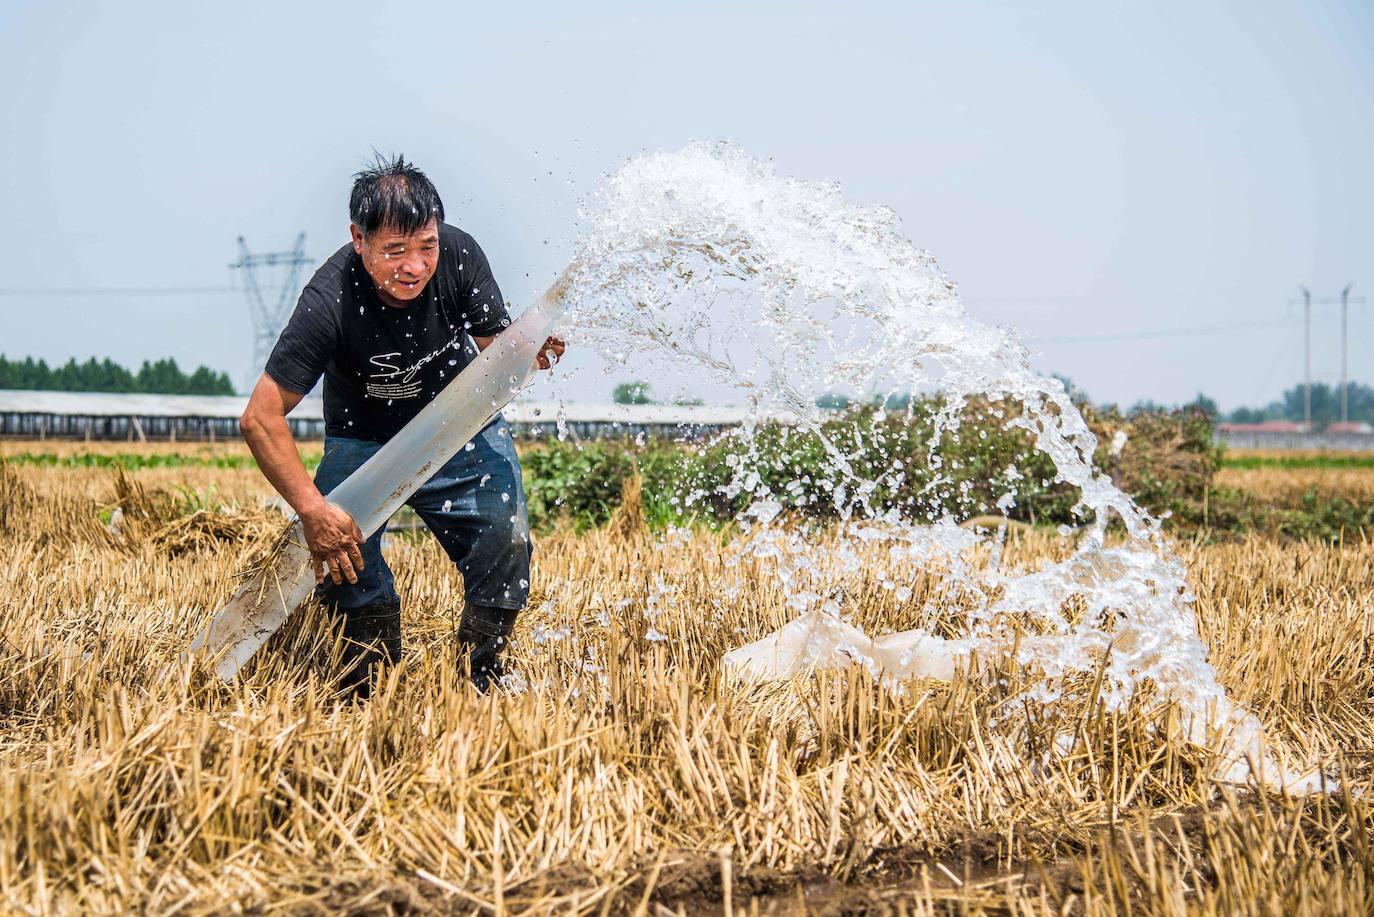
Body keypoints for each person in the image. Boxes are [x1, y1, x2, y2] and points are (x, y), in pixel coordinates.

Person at [238, 154, 564, 697]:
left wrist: (527, 352)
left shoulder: (460, 257)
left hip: (455, 426)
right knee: (345, 564)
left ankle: (479, 676)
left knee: (506, 538)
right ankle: (370, 686)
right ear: (358, 239)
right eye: (394, 251)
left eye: (425, 247)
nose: (414, 266)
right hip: (363, 439)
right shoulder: (329, 299)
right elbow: (260, 417)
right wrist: (314, 512)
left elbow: (496, 350)